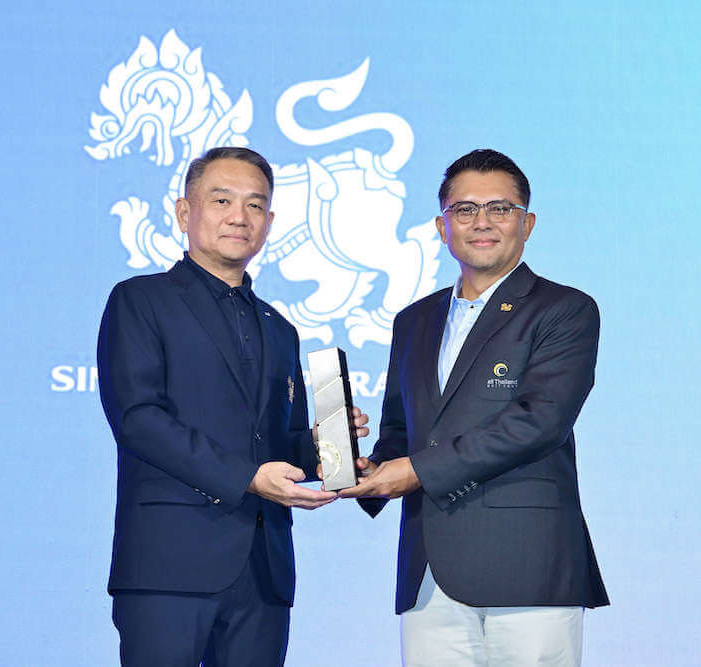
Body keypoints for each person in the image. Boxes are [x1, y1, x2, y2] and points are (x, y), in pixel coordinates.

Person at [97, 146, 368, 666]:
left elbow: (278, 442)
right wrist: (248, 478)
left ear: (269, 222)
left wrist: (322, 449)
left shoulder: (279, 328)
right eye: (222, 200)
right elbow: (138, 420)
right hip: (169, 566)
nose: (239, 217)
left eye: (255, 205)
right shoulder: (140, 300)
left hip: (264, 571)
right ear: (185, 212)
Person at [340, 149, 609, 666]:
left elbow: (539, 422)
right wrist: (366, 467)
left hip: (528, 566)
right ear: (443, 227)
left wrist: (415, 470)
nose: (481, 222)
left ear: (527, 223)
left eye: (499, 208)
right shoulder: (414, 320)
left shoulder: (565, 309)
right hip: (429, 573)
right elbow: (401, 430)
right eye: (464, 210)